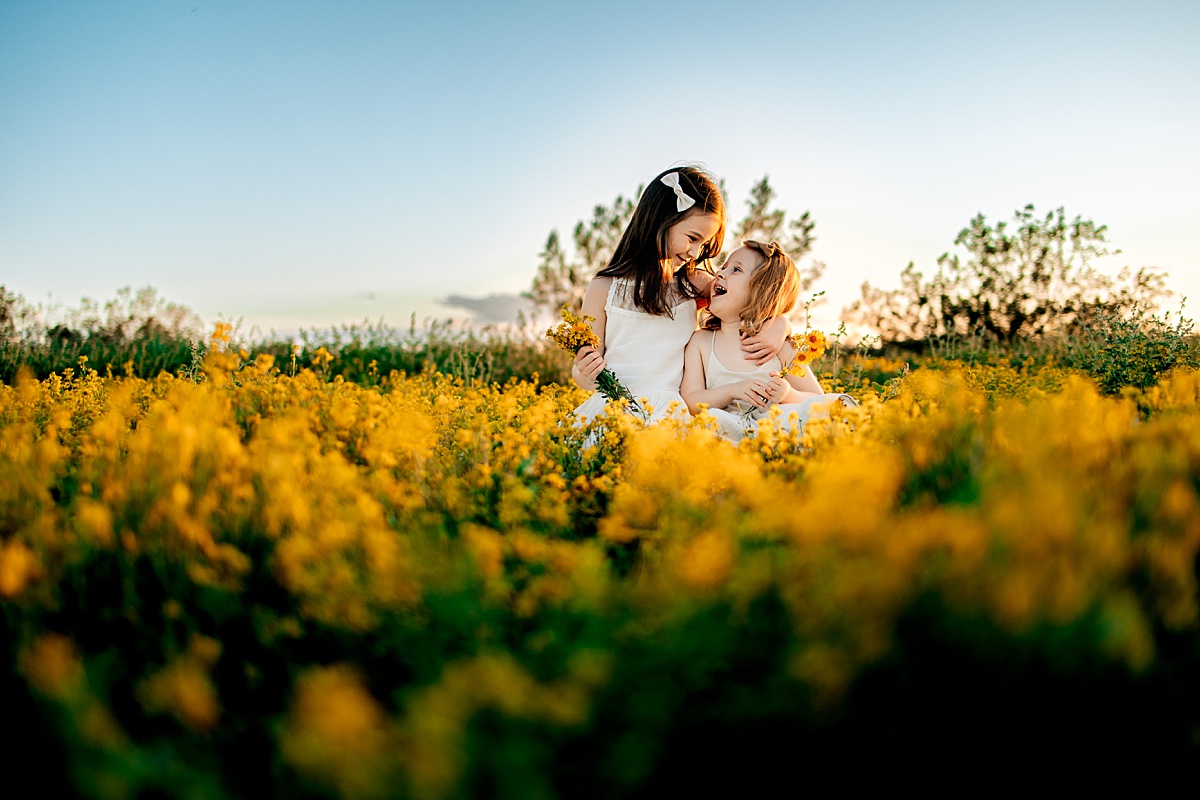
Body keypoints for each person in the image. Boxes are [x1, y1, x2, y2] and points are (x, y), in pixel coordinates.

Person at [572, 165, 787, 424]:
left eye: (704, 244)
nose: (696, 253)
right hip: (614, 407)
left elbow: (748, 301)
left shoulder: (693, 283)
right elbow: (583, 370)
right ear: (660, 221)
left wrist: (780, 325)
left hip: (671, 409)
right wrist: (584, 372)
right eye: (692, 238)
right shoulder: (603, 287)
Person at [680, 239, 858, 442]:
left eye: (736, 270)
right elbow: (691, 401)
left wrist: (789, 394)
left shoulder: (780, 345)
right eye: (724, 267)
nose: (720, 273)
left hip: (777, 427)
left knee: (833, 406)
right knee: (712, 423)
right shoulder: (701, 341)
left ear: (762, 290)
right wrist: (732, 391)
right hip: (729, 426)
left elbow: (816, 399)